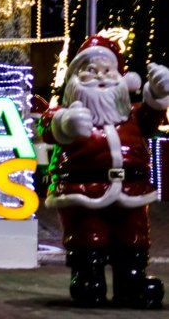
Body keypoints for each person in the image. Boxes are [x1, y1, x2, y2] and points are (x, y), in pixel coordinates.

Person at [40, 35, 169, 309]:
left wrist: (158, 96)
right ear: (75, 77)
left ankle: (131, 283)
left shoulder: (132, 115)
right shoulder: (66, 113)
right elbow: (48, 127)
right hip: (83, 193)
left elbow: (150, 120)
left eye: (108, 71)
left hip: (131, 192)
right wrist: (65, 123)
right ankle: (88, 278)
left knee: (133, 239)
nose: (100, 77)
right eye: (91, 70)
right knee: (87, 238)